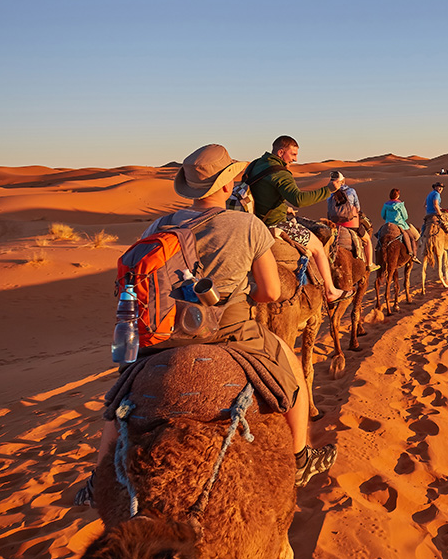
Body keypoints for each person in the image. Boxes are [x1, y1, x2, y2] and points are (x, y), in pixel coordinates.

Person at [78, 145, 337, 505]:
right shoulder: (248, 225)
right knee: (290, 373)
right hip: (229, 331)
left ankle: (97, 479)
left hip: (163, 335)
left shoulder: (160, 225)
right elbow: (270, 292)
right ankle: (300, 459)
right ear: (227, 185)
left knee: (121, 397)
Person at [247, 136, 347, 303]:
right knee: (317, 248)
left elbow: (259, 193)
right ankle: (330, 291)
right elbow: (299, 199)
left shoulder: (255, 165)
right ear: (281, 152)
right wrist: (328, 189)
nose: (295, 159)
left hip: (254, 221)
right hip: (275, 223)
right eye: (293, 154)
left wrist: (281, 206)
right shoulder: (280, 172)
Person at [327, 170, 379, 272]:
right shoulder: (351, 191)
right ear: (343, 181)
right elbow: (358, 208)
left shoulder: (330, 195)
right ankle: (369, 264)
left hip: (334, 226)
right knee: (367, 240)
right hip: (351, 225)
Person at [380, 188, 421, 262]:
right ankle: (413, 255)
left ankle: (378, 249)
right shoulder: (400, 205)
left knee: (380, 234)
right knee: (412, 238)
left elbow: (383, 215)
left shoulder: (386, 205)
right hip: (400, 224)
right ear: (398, 195)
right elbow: (405, 216)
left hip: (388, 224)